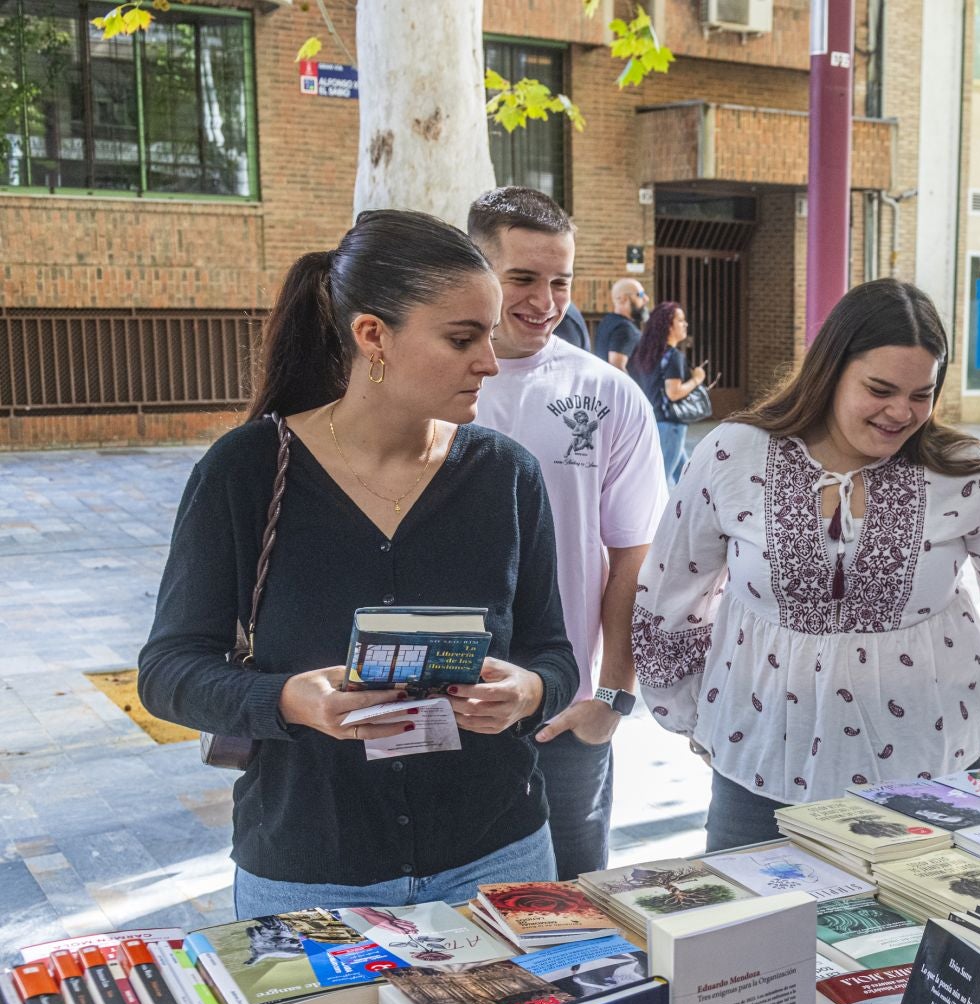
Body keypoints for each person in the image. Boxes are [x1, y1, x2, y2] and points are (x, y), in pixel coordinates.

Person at [139, 210, 579, 917]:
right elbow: (167, 674)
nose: (490, 363)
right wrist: (289, 702)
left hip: (499, 855)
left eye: (490, 338)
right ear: (372, 336)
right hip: (311, 872)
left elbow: (553, 655)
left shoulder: (507, 476)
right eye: (463, 339)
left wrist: (526, 692)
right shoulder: (247, 471)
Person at [631, 279, 980, 852]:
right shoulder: (732, 453)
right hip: (758, 772)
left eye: (921, 394)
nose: (902, 412)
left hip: (938, 775)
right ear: (831, 370)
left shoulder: (969, 477)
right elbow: (670, 589)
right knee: (750, 937)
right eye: (880, 389)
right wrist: (695, 712)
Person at [467, 187, 668, 881]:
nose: (545, 301)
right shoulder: (427, 387)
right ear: (476, 268)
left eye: (561, 281)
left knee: (576, 906)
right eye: (522, 278)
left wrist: (610, 698)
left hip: (564, 712)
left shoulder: (609, 395)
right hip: (440, 706)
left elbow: (633, 554)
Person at [628, 300, 704, 485]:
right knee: (658, 481)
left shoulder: (644, 353)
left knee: (685, 478)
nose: (685, 324)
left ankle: (691, 511)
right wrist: (697, 379)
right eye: (680, 320)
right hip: (671, 425)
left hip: (653, 419)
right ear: (667, 326)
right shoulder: (673, 356)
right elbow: (674, 393)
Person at [594, 279, 648, 371]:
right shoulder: (625, 329)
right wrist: (633, 386)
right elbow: (617, 367)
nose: (646, 299)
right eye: (640, 294)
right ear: (623, 298)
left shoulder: (608, 321)